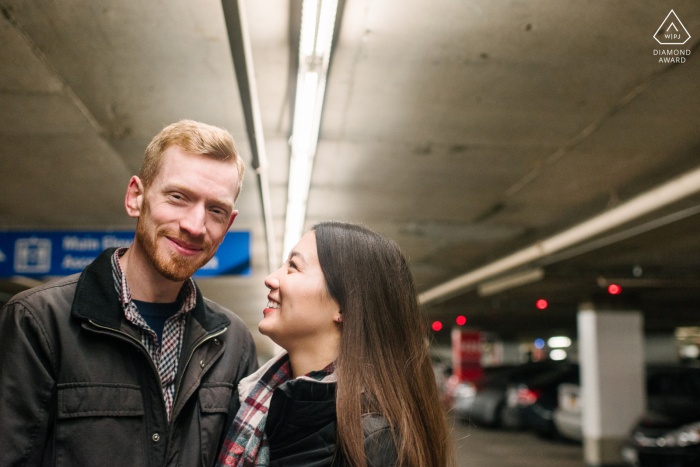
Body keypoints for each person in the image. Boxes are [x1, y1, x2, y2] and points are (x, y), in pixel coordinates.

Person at [0, 120, 258, 466]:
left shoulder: (232, 342)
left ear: (228, 224)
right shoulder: (40, 320)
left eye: (216, 210)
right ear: (136, 197)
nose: (195, 226)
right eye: (178, 197)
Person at [217, 222, 452, 467]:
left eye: (293, 267)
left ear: (343, 306)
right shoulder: (256, 400)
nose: (271, 279)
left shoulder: (375, 443)